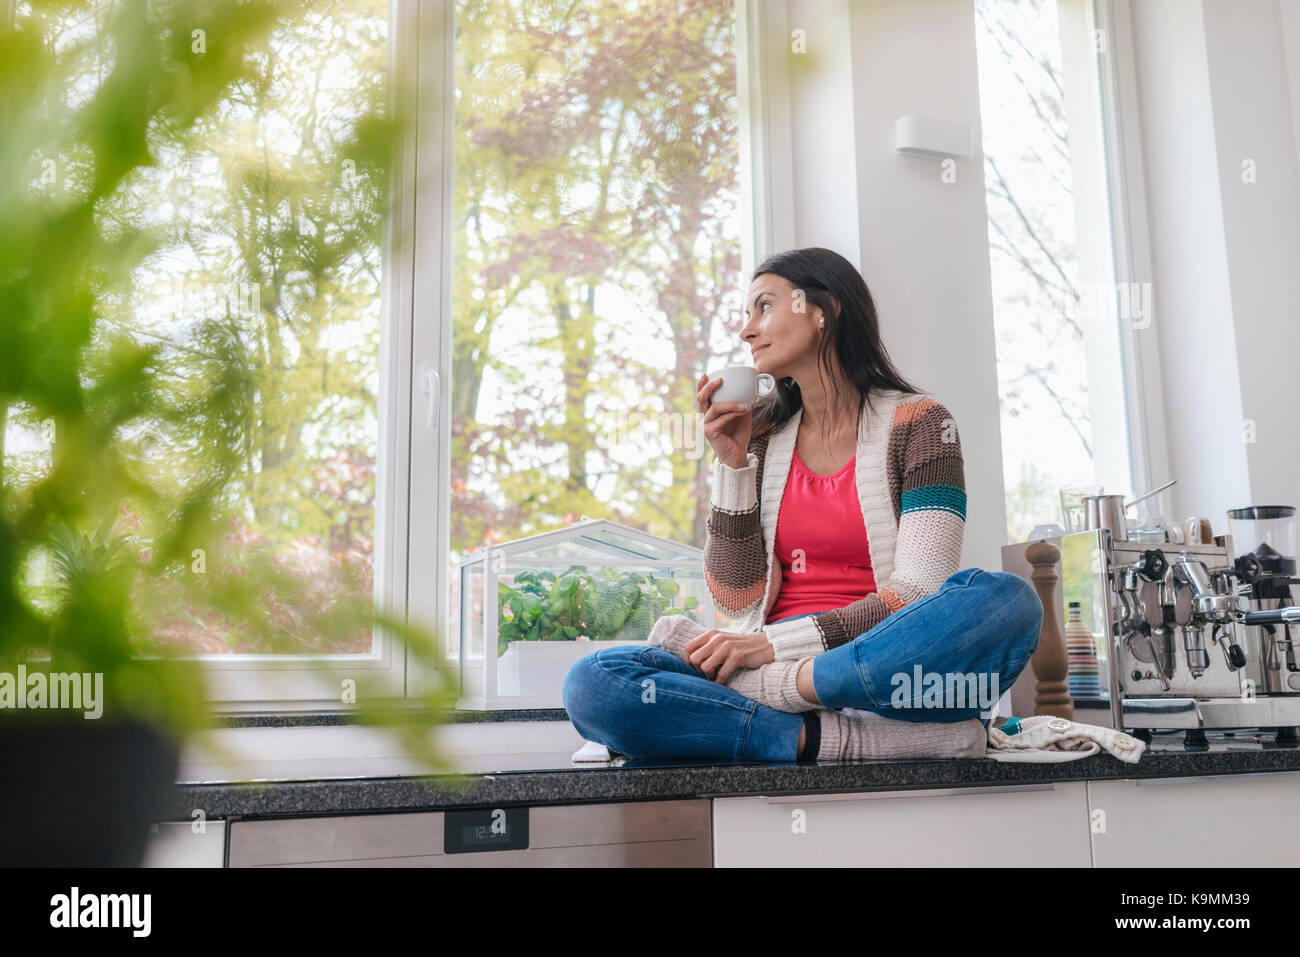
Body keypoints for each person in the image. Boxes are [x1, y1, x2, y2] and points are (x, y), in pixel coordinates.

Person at [562, 247, 1043, 763]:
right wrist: (733, 466)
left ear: (823, 311)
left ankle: (786, 699)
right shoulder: (763, 436)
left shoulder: (921, 424)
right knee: (594, 683)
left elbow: (919, 591)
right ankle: (831, 740)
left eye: (762, 307)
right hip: (770, 659)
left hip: (881, 668)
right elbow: (738, 598)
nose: (747, 330)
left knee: (1007, 600)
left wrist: (774, 654)